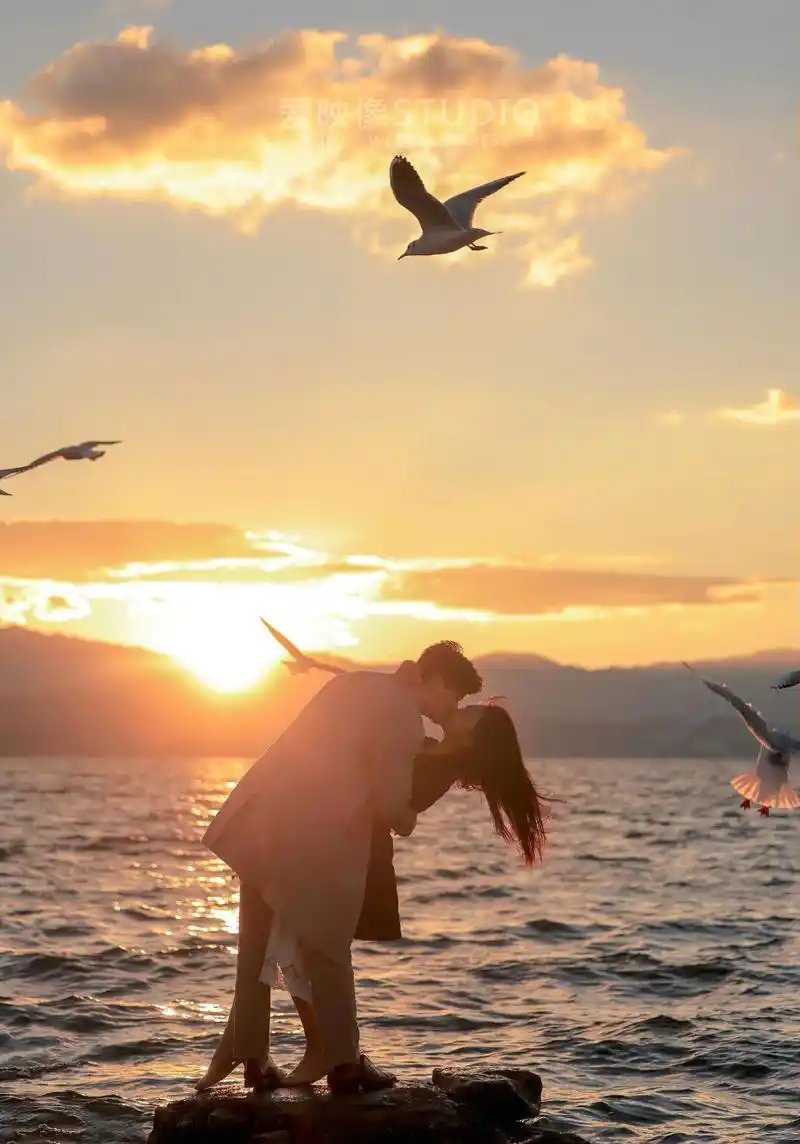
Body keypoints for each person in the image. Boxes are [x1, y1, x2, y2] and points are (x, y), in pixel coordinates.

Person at [196, 641, 482, 1095]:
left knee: (254, 947)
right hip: (310, 834)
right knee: (328, 946)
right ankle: (345, 1064)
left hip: (260, 820)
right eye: (457, 697)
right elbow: (392, 807)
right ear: (440, 681)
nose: (452, 708)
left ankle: (254, 1061)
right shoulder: (401, 717)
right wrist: (407, 820)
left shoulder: (355, 683)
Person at [270, 699, 549, 1086]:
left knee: (319, 949)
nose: (466, 708)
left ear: (475, 737)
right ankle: (330, 1053)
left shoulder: (440, 767)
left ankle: (337, 1057)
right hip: (335, 840)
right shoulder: (433, 748)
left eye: (475, 712)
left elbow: (396, 811)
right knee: (303, 945)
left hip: (354, 850)